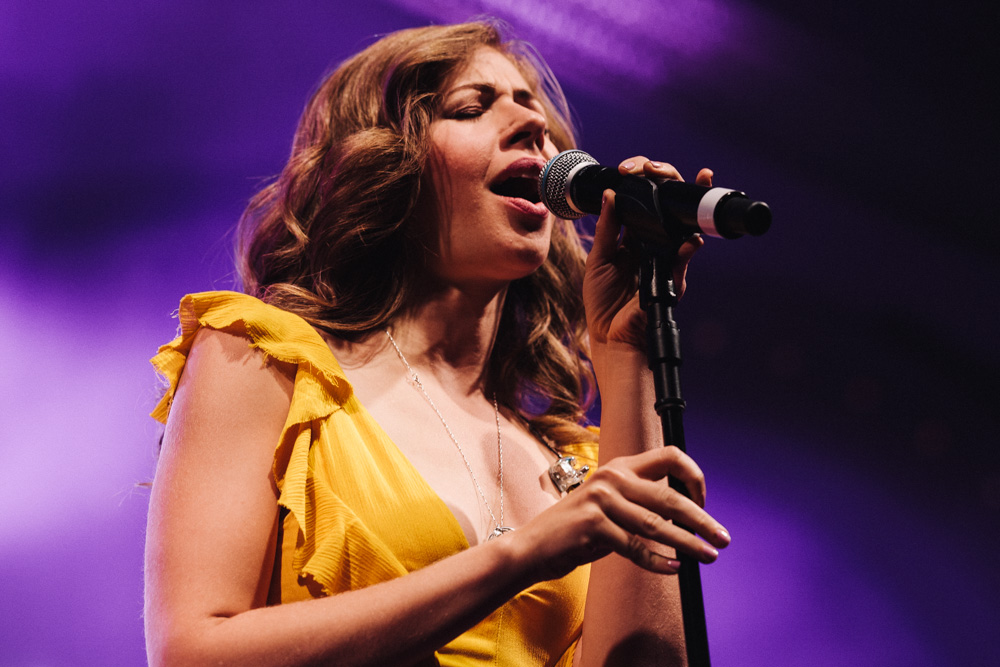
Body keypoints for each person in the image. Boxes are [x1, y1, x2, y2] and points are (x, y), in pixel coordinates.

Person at [144, 20, 730, 667]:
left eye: (533, 105)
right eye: (472, 107)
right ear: (384, 164)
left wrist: (628, 360)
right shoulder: (264, 358)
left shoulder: (575, 460)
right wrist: (522, 552)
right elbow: (194, 652)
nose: (532, 123)